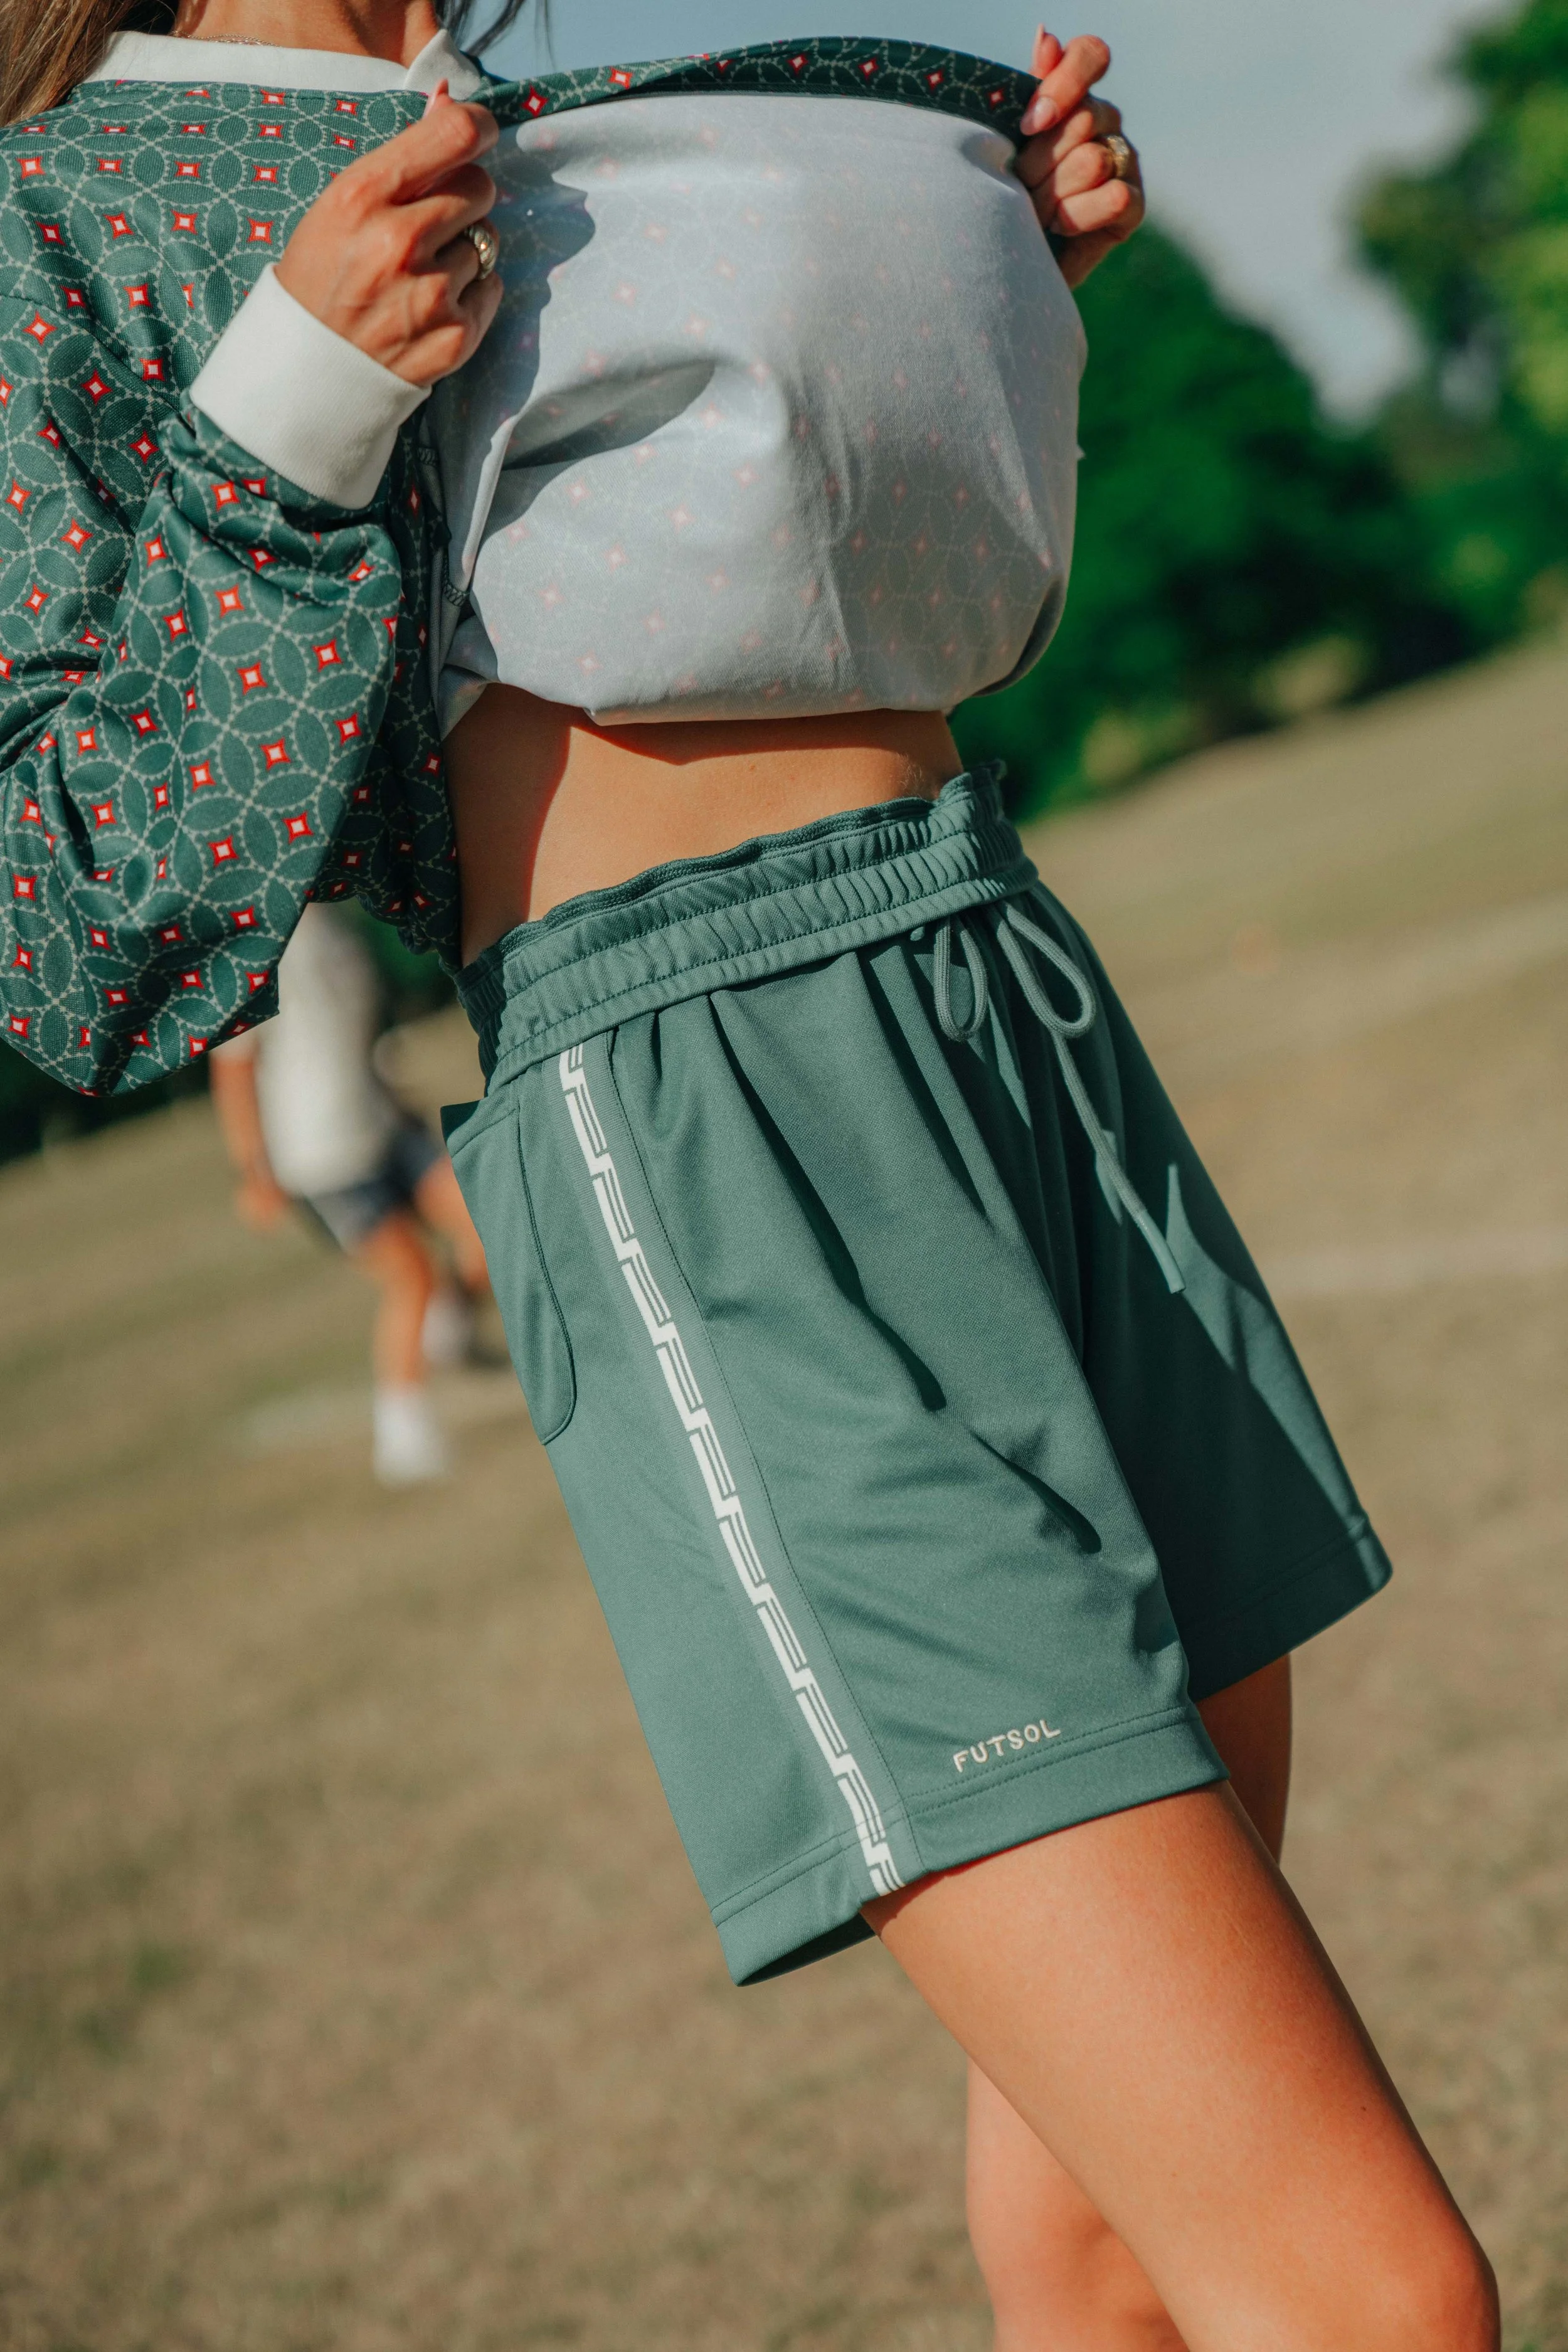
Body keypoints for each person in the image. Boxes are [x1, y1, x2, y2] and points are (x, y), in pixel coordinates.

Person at [0, 6, 1500, 2346]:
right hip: (692, 1090)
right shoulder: (73, 204)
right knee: (1372, 2289)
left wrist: (996, 289)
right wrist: (290, 398)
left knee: (1116, 2223)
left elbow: (751, 545)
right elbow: (74, 917)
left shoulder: (603, 110)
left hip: (1002, 985)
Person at [208, 898, 491, 1483]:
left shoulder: (339, 926)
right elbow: (234, 1070)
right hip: (319, 1156)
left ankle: (451, 1332)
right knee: (411, 1275)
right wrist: (255, 1172)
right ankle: (402, 1433)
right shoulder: (250, 949)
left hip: (384, 1124)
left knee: (486, 1222)